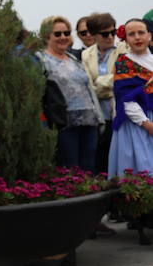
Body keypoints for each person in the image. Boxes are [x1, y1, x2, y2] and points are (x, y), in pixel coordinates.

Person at [37, 16, 101, 171]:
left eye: (66, 33)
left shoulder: (74, 59)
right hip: (64, 123)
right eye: (57, 34)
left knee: (89, 168)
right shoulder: (41, 60)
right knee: (70, 170)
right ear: (46, 36)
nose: (63, 37)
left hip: (89, 121)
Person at [109, 19, 153, 179]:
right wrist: (146, 124)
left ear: (149, 35)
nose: (137, 37)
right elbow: (125, 99)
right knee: (142, 172)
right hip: (136, 123)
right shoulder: (123, 63)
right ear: (125, 39)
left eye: (141, 32)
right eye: (131, 34)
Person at [81, 12, 119, 173]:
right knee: (98, 158)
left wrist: (99, 82)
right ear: (94, 35)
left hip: (118, 113)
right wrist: (109, 83)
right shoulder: (86, 54)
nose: (110, 37)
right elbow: (87, 86)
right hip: (97, 115)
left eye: (113, 32)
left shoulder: (124, 50)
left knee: (115, 158)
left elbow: (121, 80)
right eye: (105, 34)